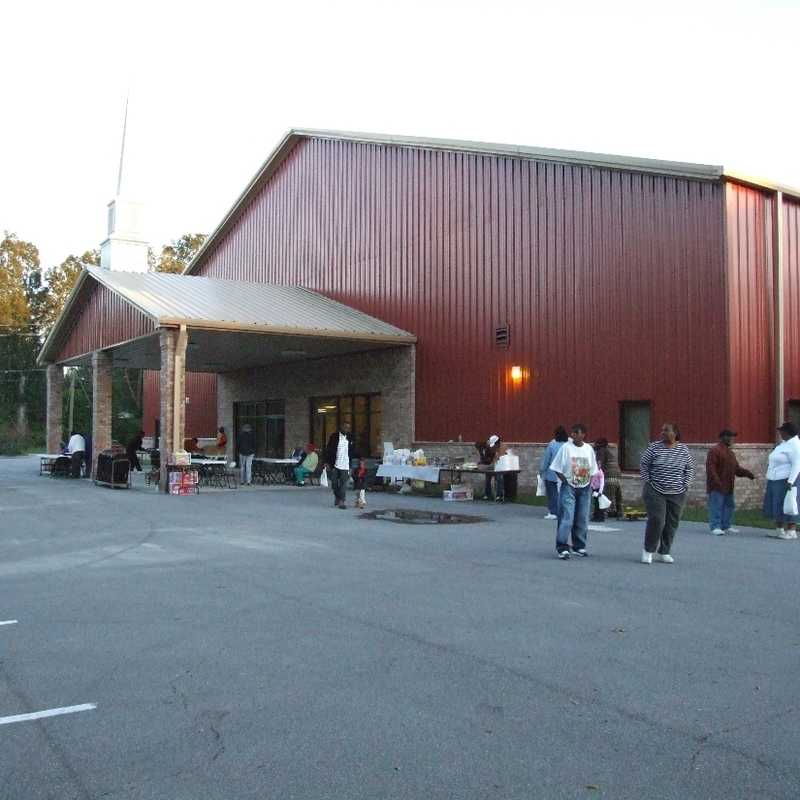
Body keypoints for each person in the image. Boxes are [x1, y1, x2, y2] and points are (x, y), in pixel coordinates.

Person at [639, 423, 695, 564]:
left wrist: (686, 484)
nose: (662, 432)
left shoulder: (683, 450)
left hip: (677, 492)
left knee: (671, 522)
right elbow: (644, 464)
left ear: (675, 433)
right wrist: (648, 480)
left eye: (666, 430)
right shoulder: (654, 447)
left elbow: (689, 468)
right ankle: (648, 550)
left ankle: (665, 551)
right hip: (655, 490)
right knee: (657, 520)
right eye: (662, 430)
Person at [550, 423, 599, 559]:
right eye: (572, 433)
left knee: (582, 517)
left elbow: (593, 468)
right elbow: (556, 467)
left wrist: (589, 481)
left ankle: (579, 546)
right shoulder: (566, 448)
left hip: (584, 487)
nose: (573, 435)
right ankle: (562, 546)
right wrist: (564, 480)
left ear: (583, 434)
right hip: (569, 487)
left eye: (576, 433)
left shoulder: (588, 449)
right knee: (567, 517)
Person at [706, 429, 755, 535]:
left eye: (733, 437)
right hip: (717, 485)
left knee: (729, 506)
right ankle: (715, 526)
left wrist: (747, 473)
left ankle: (726, 525)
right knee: (717, 506)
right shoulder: (715, 450)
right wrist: (716, 481)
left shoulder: (730, 453)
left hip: (729, 485)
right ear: (722, 437)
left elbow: (736, 469)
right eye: (729, 436)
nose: (732, 439)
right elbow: (711, 468)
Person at [762, 421, 800, 540]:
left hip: (786, 479)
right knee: (777, 504)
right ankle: (779, 530)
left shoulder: (795, 445)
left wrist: (791, 481)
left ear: (787, 432)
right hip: (774, 479)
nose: (780, 432)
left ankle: (792, 530)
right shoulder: (783, 444)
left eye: (781, 431)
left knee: (789, 504)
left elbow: (797, 464)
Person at [324, 420, 358, 509]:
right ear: (341, 427)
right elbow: (328, 450)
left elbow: (354, 451)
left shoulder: (351, 438)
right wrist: (326, 462)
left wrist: (354, 464)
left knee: (343, 484)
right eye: (345, 427)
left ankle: (342, 501)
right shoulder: (334, 437)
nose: (346, 429)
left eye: (348, 428)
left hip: (346, 464)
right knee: (334, 483)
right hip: (334, 463)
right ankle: (337, 496)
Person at [540, 426, 569, 520]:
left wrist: (542, 470)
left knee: (552, 493)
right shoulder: (569, 444)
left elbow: (546, 459)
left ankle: (554, 512)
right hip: (565, 473)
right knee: (565, 493)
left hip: (552, 473)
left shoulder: (552, 444)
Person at [593, 438, 623, 518]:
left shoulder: (601, 451)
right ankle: (619, 512)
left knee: (608, 493)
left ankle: (608, 512)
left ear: (599, 445)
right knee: (617, 493)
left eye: (596, 444)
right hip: (617, 474)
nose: (594, 446)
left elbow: (600, 464)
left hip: (609, 474)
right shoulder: (609, 452)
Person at [476, 435, 505, 501]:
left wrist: (493, 463)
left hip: (501, 467)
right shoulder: (492, 447)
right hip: (493, 466)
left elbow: (500, 459)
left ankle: (499, 496)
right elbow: (491, 459)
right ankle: (487, 494)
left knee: (499, 478)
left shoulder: (502, 447)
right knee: (488, 476)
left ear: (497, 443)